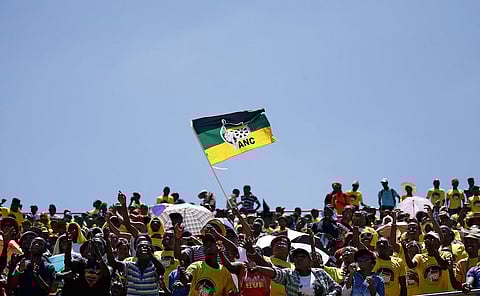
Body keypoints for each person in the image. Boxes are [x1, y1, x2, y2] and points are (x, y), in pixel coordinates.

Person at [252, 247, 341, 296]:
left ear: (310, 262)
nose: (299, 259)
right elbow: (274, 273)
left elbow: (337, 287)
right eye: (296, 258)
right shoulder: (289, 274)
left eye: (302, 257)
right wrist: (259, 268)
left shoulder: (320, 273)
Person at [106, 232, 165, 296]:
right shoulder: (129, 266)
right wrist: (107, 241)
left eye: (146, 247)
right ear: (135, 251)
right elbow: (113, 263)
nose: (143, 249)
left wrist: (150, 255)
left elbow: (161, 270)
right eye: (139, 247)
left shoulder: (154, 267)